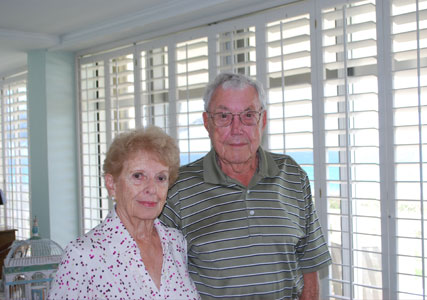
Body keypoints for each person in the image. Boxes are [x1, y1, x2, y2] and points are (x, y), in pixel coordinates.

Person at [160, 73, 332, 300]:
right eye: (223, 116)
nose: (236, 128)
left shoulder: (292, 175)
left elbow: (310, 263)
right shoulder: (178, 187)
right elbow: (158, 273)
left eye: (248, 115)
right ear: (206, 122)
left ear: (263, 120)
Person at [48, 127, 200, 299]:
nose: (151, 189)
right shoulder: (82, 256)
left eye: (160, 178)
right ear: (112, 184)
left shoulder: (176, 243)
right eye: (138, 176)